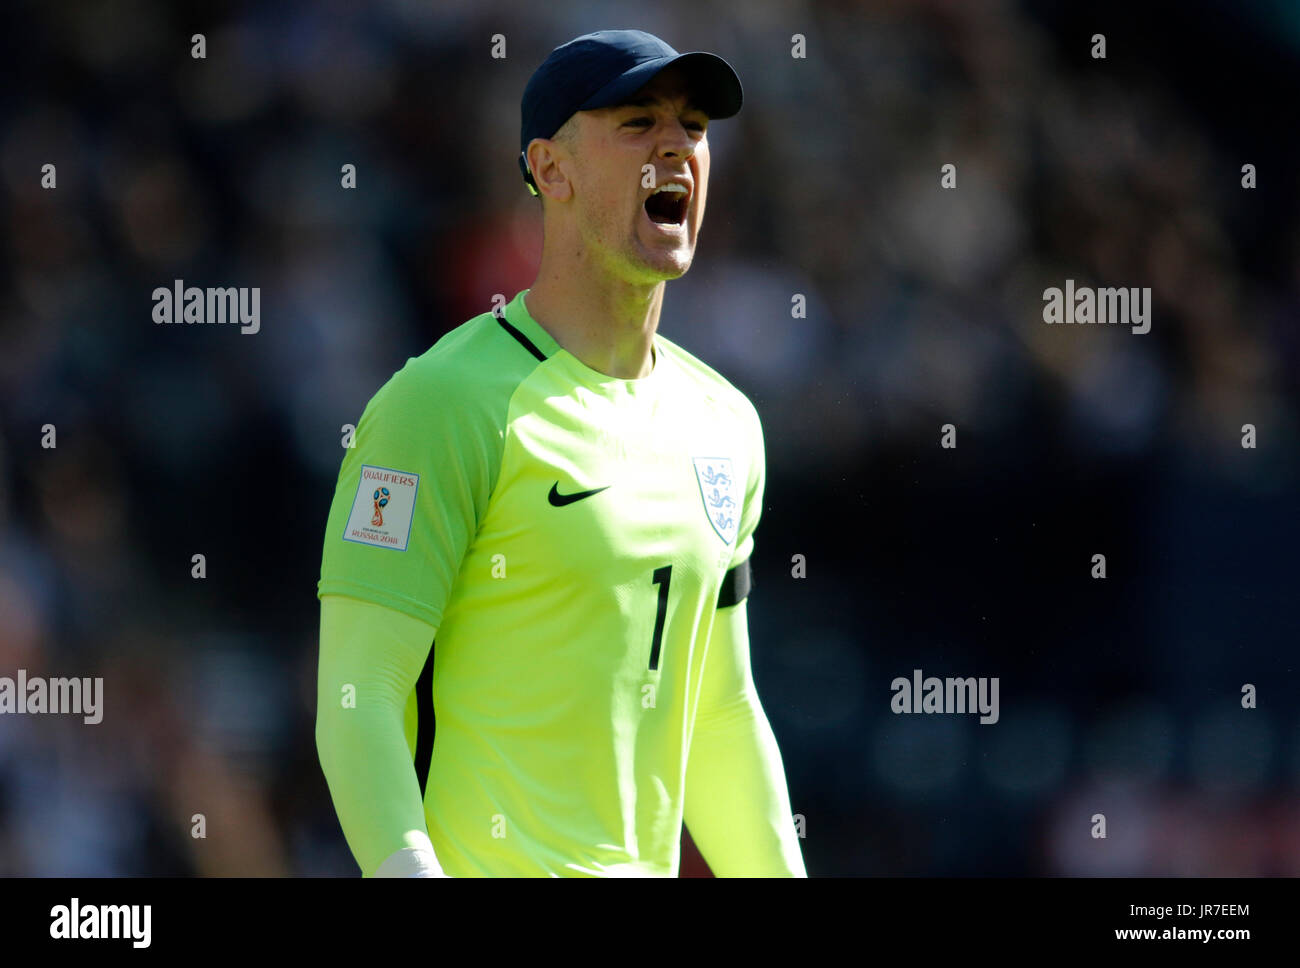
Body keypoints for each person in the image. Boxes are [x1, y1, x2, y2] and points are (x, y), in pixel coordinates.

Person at [315, 28, 805, 877]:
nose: (676, 147)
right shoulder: (440, 405)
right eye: (637, 122)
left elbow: (721, 712)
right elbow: (356, 700)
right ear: (550, 169)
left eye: (693, 126)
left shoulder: (726, 425)